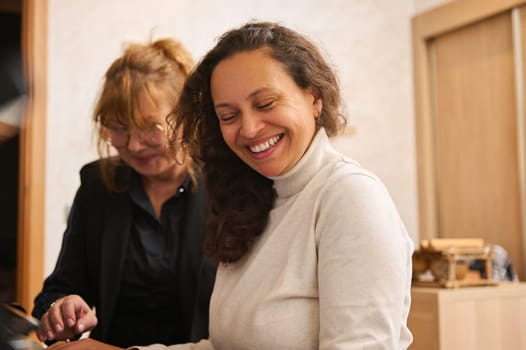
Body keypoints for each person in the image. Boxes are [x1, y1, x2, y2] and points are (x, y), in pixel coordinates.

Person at [45, 20, 414, 350]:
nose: (250, 129)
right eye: (228, 115)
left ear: (314, 97)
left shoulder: (350, 197)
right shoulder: (256, 200)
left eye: (266, 102)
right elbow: (218, 346)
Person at [31, 38, 216, 348]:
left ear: (186, 116)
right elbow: (58, 289)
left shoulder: (225, 187)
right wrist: (60, 309)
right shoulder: (98, 186)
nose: (133, 145)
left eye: (150, 127)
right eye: (118, 127)